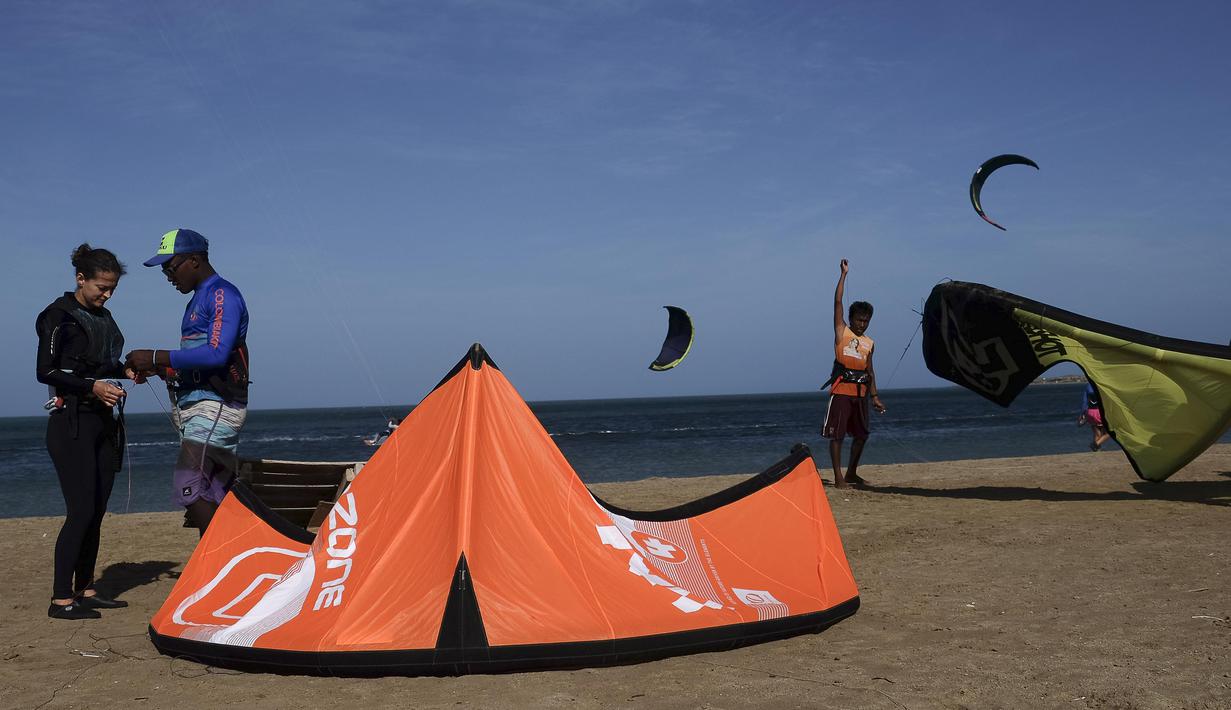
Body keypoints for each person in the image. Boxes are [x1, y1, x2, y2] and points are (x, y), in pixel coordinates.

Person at [36, 244, 143, 619]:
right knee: (80, 510)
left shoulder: (104, 317)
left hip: (102, 423)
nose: (107, 294)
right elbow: (46, 371)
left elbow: (103, 363)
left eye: (112, 288)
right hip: (71, 424)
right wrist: (92, 386)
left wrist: (123, 371)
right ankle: (60, 600)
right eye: (101, 287)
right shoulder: (57, 316)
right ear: (81, 279)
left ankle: (86, 588)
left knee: (96, 511)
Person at [125, 229, 250, 537]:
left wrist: (156, 356)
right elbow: (196, 362)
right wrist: (159, 370)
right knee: (210, 494)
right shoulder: (196, 300)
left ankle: (223, 563)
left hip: (216, 407)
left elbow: (217, 355)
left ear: (193, 260)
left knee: (187, 484)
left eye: (170, 266)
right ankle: (220, 572)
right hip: (198, 407)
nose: (167, 275)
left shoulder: (222, 294)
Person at [822, 259, 886, 488]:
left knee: (862, 436)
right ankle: (838, 477)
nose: (862, 324)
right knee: (837, 436)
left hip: (861, 394)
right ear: (851, 319)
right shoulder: (842, 331)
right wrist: (843, 275)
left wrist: (875, 397)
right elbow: (838, 301)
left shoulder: (870, 343)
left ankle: (851, 473)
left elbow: (870, 370)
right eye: (859, 320)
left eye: (866, 321)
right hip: (841, 392)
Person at [1078, 381, 1111, 451]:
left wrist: (1082, 414)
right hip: (1100, 413)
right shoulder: (1102, 385)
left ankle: (1096, 450)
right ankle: (1095, 444)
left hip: (1090, 413)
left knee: (1097, 434)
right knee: (1110, 432)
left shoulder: (1088, 386)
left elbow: (1084, 402)